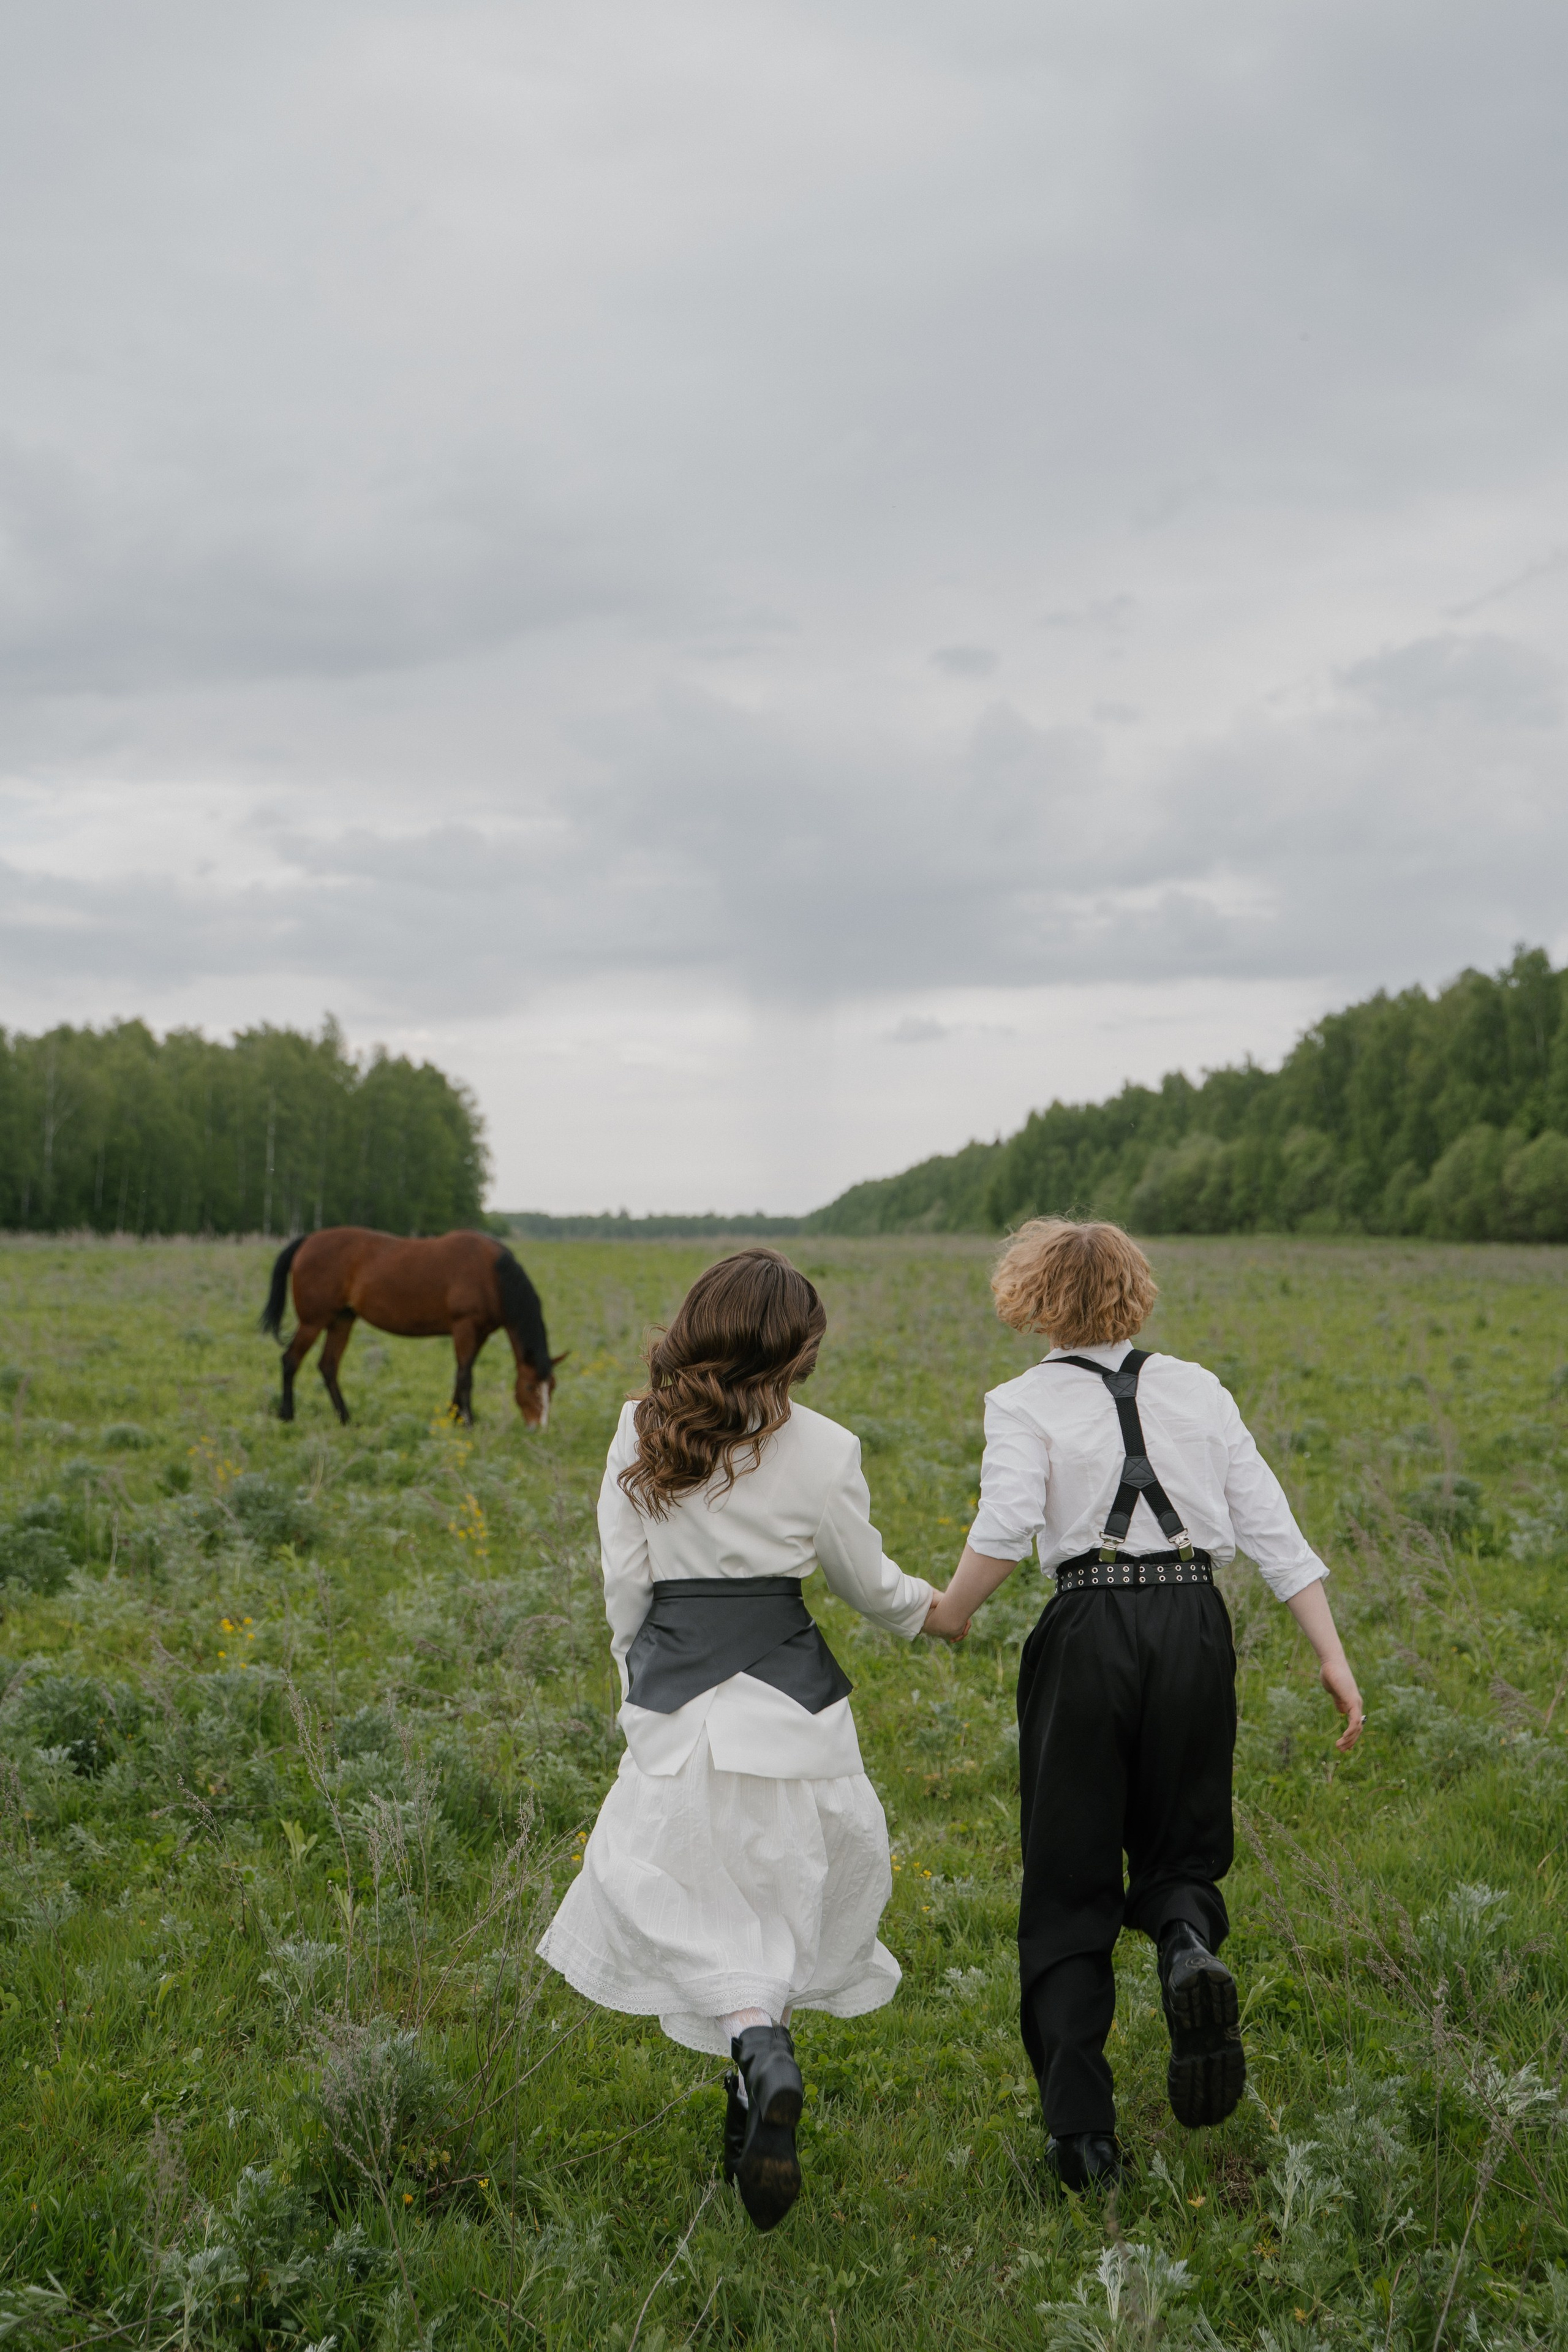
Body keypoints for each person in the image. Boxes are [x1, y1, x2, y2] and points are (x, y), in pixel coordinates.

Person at [924, 1218, 1363, 2192]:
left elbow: (1005, 1524)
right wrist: (1331, 1654)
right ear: (1135, 1291)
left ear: (1031, 1298)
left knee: (1069, 1881)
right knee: (1182, 1849)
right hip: (1194, 1622)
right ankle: (1185, 1944)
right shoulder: (1198, 1387)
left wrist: (952, 1611)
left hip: (1087, 1625)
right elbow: (1272, 1526)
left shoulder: (1020, 1401)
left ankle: (1083, 2139)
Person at [537, 1248, 937, 2231]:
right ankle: (758, 2074)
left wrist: (639, 1684)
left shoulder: (641, 1429)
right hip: (796, 1716)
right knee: (780, 1903)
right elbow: (866, 1582)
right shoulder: (828, 1448)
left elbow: (624, 1584)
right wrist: (933, 1611)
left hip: (683, 1713)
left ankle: (758, 2053)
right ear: (797, 1348)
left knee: (658, 1889)